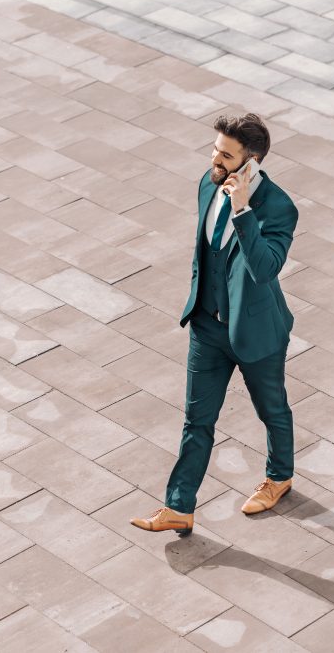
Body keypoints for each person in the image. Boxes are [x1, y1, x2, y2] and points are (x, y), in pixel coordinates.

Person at [130, 113, 298, 536]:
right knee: (196, 420)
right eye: (215, 149)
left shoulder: (278, 208)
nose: (215, 158)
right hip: (208, 326)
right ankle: (178, 506)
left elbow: (264, 269)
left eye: (226, 154)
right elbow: (203, 252)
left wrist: (242, 210)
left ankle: (279, 477)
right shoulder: (208, 184)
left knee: (271, 409)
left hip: (255, 330)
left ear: (251, 161)